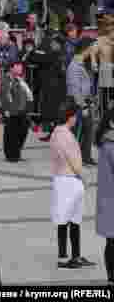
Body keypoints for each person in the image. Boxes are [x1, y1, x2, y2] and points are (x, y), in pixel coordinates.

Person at [50, 99, 94, 269]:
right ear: (69, 117)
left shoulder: (58, 132)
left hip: (65, 180)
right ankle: (63, 258)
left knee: (73, 219)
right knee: (66, 219)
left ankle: (75, 255)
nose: (76, 119)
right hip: (67, 180)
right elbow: (74, 162)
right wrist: (84, 178)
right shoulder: (65, 135)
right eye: (75, 116)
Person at [96, 105, 114, 282]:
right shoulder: (111, 145)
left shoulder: (105, 142)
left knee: (111, 241)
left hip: (107, 200)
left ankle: (110, 276)